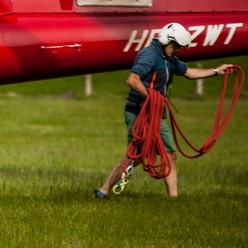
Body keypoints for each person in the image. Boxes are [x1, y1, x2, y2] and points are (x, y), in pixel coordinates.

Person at [94, 22, 233, 199]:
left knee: (170, 155)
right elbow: (132, 80)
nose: (178, 50)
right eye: (176, 46)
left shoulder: (169, 59)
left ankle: (173, 199)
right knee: (136, 156)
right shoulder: (149, 56)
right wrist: (150, 97)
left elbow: (189, 73)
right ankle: (104, 190)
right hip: (139, 112)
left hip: (157, 113)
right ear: (167, 41)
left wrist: (215, 71)